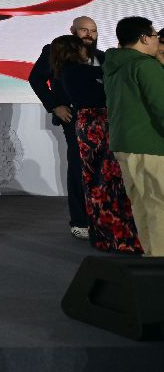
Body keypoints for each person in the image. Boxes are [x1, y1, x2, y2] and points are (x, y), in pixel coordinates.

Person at [56, 33, 141, 253]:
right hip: (97, 125)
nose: (88, 49)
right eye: (82, 47)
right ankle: (113, 234)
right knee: (105, 180)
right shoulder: (77, 71)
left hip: (92, 125)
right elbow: (107, 78)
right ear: (74, 50)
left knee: (98, 179)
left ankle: (105, 235)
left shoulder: (70, 71)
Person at [29, 16, 101, 239]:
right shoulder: (55, 51)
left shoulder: (102, 56)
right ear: (72, 30)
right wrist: (55, 106)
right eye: (84, 30)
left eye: (93, 30)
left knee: (102, 169)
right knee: (79, 167)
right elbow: (36, 79)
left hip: (103, 120)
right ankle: (80, 221)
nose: (89, 34)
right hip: (74, 118)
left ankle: (102, 219)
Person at [103, 16, 164, 256]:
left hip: (125, 143)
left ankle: (153, 257)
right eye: (155, 36)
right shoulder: (145, 66)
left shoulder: (114, 66)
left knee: (142, 205)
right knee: (158, 206)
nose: (158, 41)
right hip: (151, 144)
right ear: (144, 38)